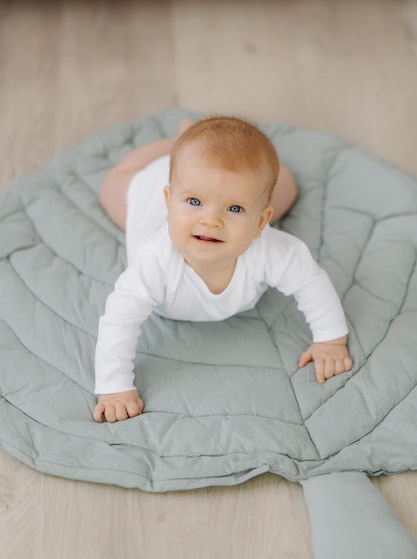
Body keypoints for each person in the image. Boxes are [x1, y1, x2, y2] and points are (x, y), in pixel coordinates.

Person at [93, 116, 352, 423]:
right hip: (145, 196)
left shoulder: (272, 248)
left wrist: (330, 340)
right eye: (194, 202)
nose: (211, 221)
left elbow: (311, 282)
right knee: (115, 182)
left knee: (286, 185)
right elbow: (119, 320)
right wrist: (115, 388)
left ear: (260, 222)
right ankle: (179, 142)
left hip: (218, 195)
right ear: (170, 202)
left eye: (234, 209)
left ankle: (206, 172)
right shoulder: (155, 261)